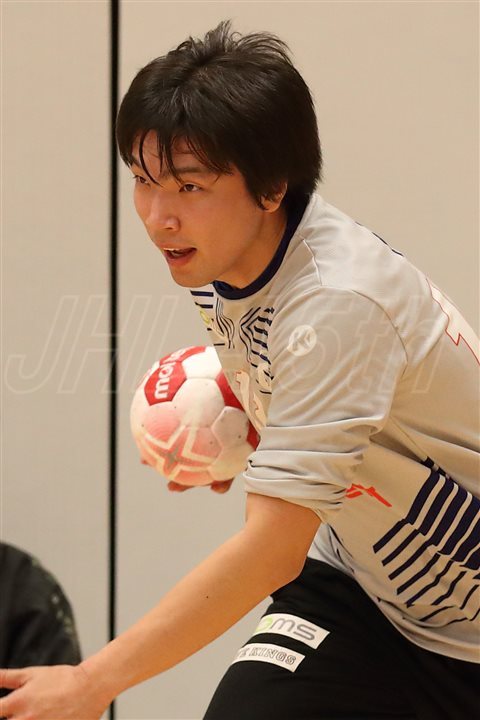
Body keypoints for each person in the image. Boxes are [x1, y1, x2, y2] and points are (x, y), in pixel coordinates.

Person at [1, 20, 478, 720]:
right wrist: (259, 426)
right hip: (364, 587)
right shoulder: (222, 257)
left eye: (189, 186)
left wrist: (92, 681)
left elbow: (270, 553)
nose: (158, 217)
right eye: (143, 181)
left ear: (272, 185)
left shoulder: (338, 304)